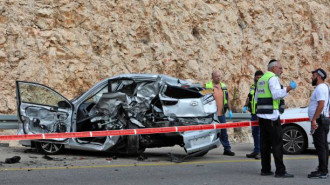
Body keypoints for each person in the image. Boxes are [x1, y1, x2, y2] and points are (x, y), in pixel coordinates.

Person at [255, 59, 296, 178]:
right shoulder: (272, 78)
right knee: (277, 145)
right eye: (280, 68)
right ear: (273, 68)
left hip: (262, 117)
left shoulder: (261, 79)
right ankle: (280, 171)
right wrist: (288, 88)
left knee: (265, 145)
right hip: (272, 117)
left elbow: (257, 98)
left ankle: (265, 169)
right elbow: (276, 94)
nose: (281, 71)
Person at [205, 70, 235, 156]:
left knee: (224, 132)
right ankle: (201, 149)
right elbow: (203, 99)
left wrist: (230, 110)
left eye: (219, 76)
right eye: (216, 76)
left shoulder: (224, 87)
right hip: (211, 115)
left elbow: (228, 100)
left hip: (221, 114)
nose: (218, 78)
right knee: (207, 132)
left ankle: (227, 149)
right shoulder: (208, 87)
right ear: (212, 77)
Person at [307, 68, 329, 179]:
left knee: (321, 146)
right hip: (323, 119)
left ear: (319, 77)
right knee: (323, 145)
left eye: (313, 75)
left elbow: (320, 105)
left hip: (320, 120)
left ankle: (322, 171)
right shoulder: (325, 87)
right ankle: (323, 168)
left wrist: (314, 119)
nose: (312, 77)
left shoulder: (320, 88)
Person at [243, 70, 264, 159]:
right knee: (254, 133)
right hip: (253, 114)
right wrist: (245, 105)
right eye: (257, 77)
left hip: (260, 114)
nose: (258, 79)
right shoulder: (252, 87)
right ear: (254, 78)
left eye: (260, 77)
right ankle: (256, 151)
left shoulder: (264, 87)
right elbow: (249, 97)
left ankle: (260, 152)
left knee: (259, 134)